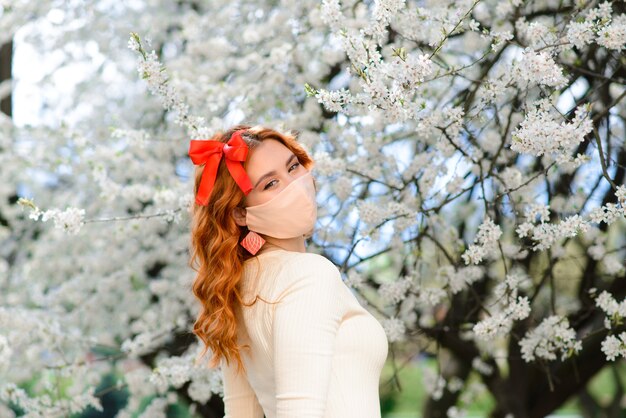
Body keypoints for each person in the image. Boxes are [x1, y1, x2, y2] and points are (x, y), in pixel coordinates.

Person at [187, 124, 389, 418]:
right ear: (240, 213)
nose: (295, 185)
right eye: (270, 184)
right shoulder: (310, 275)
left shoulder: (235, 294)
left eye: (293, 167)